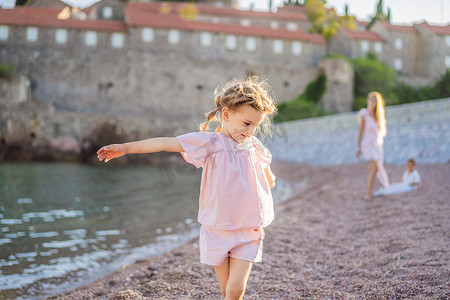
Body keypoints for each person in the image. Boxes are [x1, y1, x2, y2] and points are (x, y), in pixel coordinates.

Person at [97, 76, 277, 300]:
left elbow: (264, 162)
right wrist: (125, 148)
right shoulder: (211, 143)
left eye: (256, 126)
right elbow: (165, 143)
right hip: (217, 228)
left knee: (235, 290)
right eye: (247, 124)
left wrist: (269, 176)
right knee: (225, 290)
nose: (250, 131)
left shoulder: (253, 145)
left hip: (248, 230)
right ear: (227, 114)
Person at [356, 91, 390, 200]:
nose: (372, 101)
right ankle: (368, 193)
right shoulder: (364, 114)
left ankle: (370, 191)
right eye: (370, 99)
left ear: (377, 102)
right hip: (368, 144)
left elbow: (381, 133)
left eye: (374, 100)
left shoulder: (379, 116)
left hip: (377, 145)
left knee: (376, 168)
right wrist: (358, 146)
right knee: (373, 167)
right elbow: (360, 131)